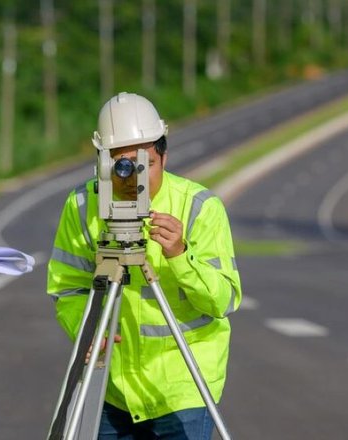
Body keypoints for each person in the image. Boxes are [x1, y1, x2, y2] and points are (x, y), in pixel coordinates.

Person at [47, 92, 242, 439]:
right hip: (112, 387)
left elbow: (222, 301)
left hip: (184, 387)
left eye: (144, 164)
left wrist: (180, 255)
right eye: (119, 165)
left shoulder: (200, 207)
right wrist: (88, 332)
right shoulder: (81, 206)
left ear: (164, 157)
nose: (130, 177)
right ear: (101, 161)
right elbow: (67, 287)